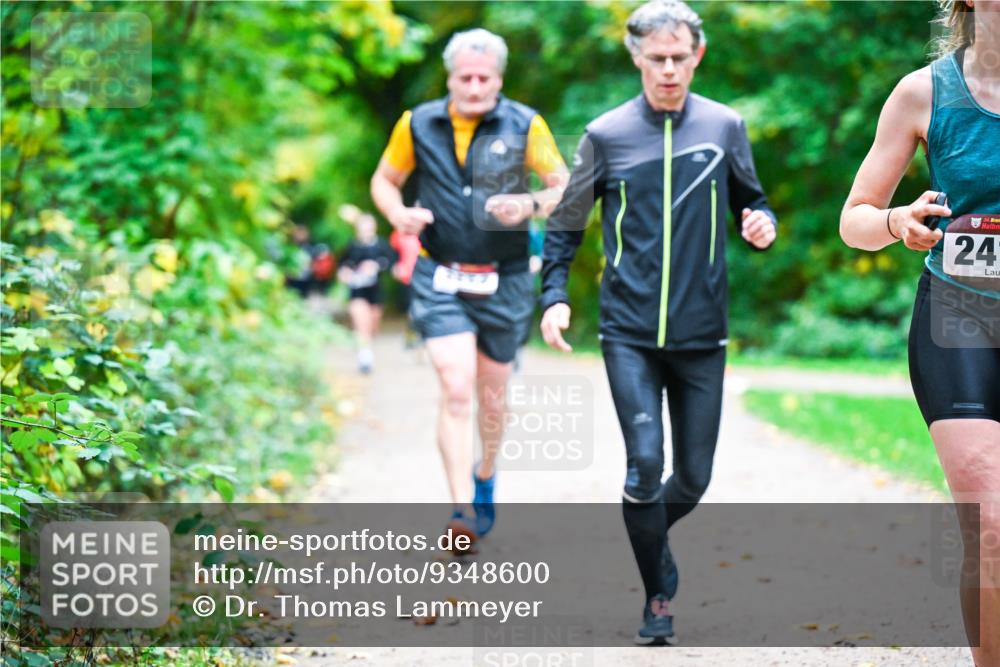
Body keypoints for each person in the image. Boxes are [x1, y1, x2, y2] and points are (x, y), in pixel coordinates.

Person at [539, 0, 777, 645]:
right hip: (628, 333)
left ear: (697, 56)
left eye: (679, 57)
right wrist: (554, 295)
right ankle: (658, 594)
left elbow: (753, 202)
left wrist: (762, 224)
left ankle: (644, 533)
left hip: (703, 334)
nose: (669, 70)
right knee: (644, 466)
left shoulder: (725, 126)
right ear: (637, 58)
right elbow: (565, 224)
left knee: (693, 478)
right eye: (656, 59)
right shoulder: (606, 135)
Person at [840, 2, 998, 664]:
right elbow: (855, 218)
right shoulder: (923, 92)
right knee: (990, 523)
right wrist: (897, 220)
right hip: (959, 318)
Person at [370, 28, 569, 544]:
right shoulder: (418, 123)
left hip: (505, 278)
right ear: (450, 78)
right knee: (457, 387)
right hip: (440, 273)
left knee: (492, 399)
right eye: (465, 78)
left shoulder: (525, 124)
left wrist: (528, 205)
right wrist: (398, 213)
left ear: (499, 79)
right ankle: (461, 510)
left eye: (484, 78)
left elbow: (565, 189)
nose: (475, 87)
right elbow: (384, 179)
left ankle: (485, 475)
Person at [337, 213, 398, 374]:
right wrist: (345, 273)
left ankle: (367, 348)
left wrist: (376, 266)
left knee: (373, 325)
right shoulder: (351, 246)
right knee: (360, 322)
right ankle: (365, 358)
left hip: (375, 291)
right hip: (357, 290)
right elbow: (342, 266)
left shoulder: (381, 245)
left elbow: (391, 263)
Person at [388, 228, 423, 349]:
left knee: (419, 306)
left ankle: (417, 332)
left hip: (423, 277)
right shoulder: (398, 233)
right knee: (411, 308)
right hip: (406, 278)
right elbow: (393, 253)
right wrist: (395, 266)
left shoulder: (426, 231)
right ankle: (413, 332)